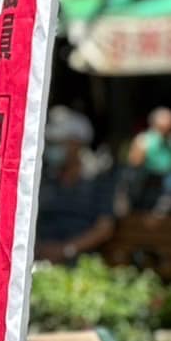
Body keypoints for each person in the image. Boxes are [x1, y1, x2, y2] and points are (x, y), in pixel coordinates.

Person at [35, 106, 122, 264]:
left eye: (59, 143)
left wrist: (66, 250)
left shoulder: (99, 179)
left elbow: (105, 228)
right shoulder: (44, 178)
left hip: (80, 264)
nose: (53, 148)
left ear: (77, 144)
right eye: (51, 142)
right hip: (39, 260)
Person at [127, 106, 171, 214]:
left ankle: (161, 211)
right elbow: (134, 162)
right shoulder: (143, 139)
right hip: (147, 175)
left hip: (168, 177)